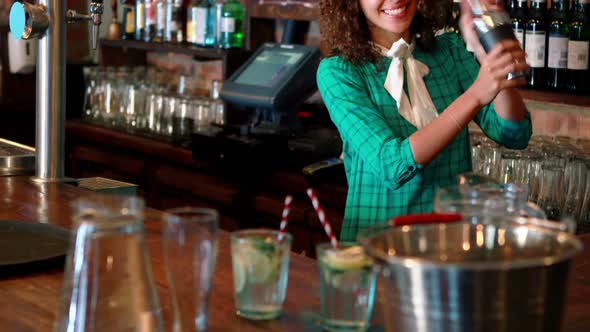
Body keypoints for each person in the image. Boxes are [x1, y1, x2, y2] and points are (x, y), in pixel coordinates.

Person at [316, 0, 533, 241]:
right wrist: (474, 96)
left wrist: (493, 56)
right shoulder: (338, 72)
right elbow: (393, 166)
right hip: (376, 246)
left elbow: (513, 133)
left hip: (447, 244)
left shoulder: (448, 51)